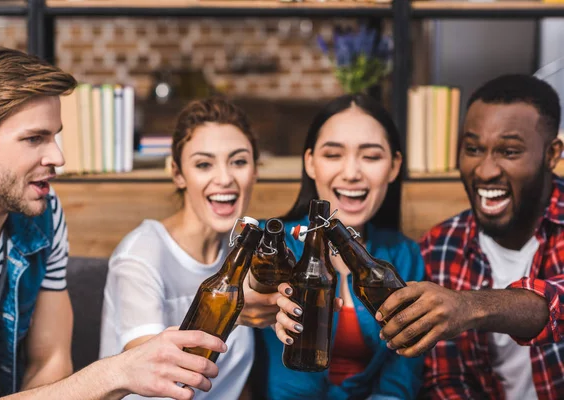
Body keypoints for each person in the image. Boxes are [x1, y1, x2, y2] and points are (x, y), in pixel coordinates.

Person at [0, 44, 232, 400]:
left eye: (55, 134)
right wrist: (119, 371)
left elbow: (52, 362)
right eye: (34, 138)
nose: (58, 156)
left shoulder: (44, 213)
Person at [375, 74, 564, 398]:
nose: (485, 170)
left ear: (551, 155)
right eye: (473, 148)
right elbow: (446, 378)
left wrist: (469, 307)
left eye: (509, 151)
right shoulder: (439, 247)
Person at [99, 96, 281, 400]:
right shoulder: (140, 257)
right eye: (203, 164)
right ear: (178, 173)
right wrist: (230, 317)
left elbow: (238, 382)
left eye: (238, 161)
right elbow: (156, 385)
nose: (224, 179)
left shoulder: (245, 251)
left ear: (255, 171)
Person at [258, 93, 425, 399]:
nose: (351, 172)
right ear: (310, 163)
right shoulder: (272, 242)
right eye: (333, 155)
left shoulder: (406, 256)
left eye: (371, 157)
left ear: (394, 166)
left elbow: (402, 377)